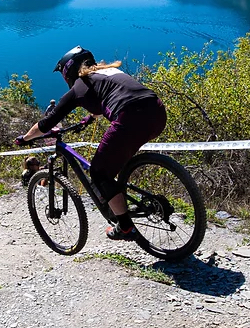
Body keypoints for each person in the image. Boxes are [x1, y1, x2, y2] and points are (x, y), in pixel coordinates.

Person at [16, 46, 167, 241]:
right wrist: (87, 120)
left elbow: (47, 123)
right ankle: (128, 200)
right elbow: (106, 100)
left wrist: (25, 138)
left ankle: (125, 226)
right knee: (113, 163)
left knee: (98, 172)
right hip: (157, 112)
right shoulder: (107, 71)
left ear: (68, 71)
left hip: (130, 116)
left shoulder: (80, 85)